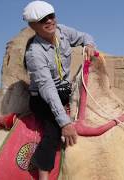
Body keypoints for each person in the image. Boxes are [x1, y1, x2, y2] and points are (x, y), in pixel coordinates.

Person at [22, 1, 96, 179]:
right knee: (53, 130)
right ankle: (43, 173)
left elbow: (84, 36)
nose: (49, 21)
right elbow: (47, 89)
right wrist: (64, 123)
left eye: (51, 16)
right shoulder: (34, 53)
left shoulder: (63, 32)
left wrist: (90, 45)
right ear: (33, 26)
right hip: (42, 97)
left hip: (64, 90)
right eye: (43, 20)